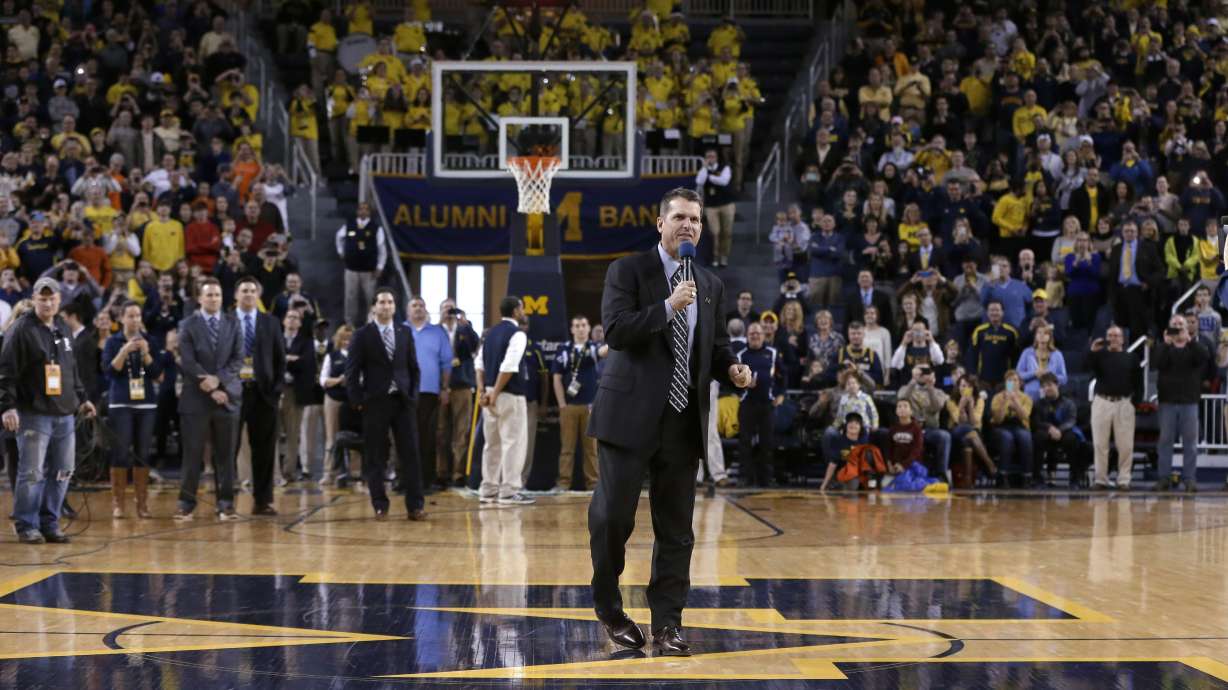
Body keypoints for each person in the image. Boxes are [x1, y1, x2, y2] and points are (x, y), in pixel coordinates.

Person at [587, 188, 749, 656]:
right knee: (612, 519)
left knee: (677, 530)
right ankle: (610, 609)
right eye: (679, 217)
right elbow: (617, 331)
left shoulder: (711, 284)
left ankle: (667, 624)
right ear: (660, 224)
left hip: (682, 421)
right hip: (628, 418)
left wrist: (732, 369)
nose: (688, 226)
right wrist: (667, 307)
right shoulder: (628, 270)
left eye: (695, 219)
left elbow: (715, 348)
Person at [0, 277, 97, 543]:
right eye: (42, 298)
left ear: (59, 300)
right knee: (32, 472)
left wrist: (82, 398)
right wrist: (7, 407)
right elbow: (5, 372)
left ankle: (50, 523)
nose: (47, 303)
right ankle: (26, 525)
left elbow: (71, 368)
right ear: (34, 299)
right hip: (33, 412)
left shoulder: (63, 327)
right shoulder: (20, 329)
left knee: (64, 470)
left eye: (51, 298)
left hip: (65, 413)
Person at [346, 287, 426, 520]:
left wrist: (413, 396)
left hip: (403, 402)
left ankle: (416, 506)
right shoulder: (362, 335)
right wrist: (358, 401)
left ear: (394, 306)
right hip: (375, 403)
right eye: (381, 302)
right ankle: (380, 504)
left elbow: (413, 368)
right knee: (376, 456)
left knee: (411, 454)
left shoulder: (404, 332)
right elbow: (352, 372)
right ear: (374, 307)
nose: (386, 306)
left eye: (390, 302)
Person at [175, 277, 242, 522]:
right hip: (196, 398)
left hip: (227, 398)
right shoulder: (187, 324)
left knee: (226, 456)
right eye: (209, 295)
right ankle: (186, 504)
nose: (214, 298)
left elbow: (238, 359)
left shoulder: (233, 323)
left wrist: (219, 381)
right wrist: (211, 387)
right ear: (200, 298)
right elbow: (187, 360)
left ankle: (226, 505)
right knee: (192, 455)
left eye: (217, 295)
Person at [102, 301, 161, 519]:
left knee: (143, 453)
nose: (135, 320)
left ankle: (142, 503)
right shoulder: (112, 341)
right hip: (121, 404)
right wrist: (124, 350)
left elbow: (157, 374)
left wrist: (146, 353)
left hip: (146, 404)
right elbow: (110, 372)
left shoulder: (150, 340)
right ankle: (118, 503)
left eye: (138, 316)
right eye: (131, 316)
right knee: (120, 452)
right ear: (121, 318)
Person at [233, 276, 286, 514]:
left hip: (263, 393)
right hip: (233, 392)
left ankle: (263, 501)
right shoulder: (226, 321)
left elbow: (280, 359)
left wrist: (276, 391)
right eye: (244, 290)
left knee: (264, 450)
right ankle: (225, 502)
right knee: (228, 449)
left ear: (258, 295)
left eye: (252, 290)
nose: (248, 294)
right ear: (236, 295)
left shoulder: (271, 322)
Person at [474, 297, 534, 505]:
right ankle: (508, 491)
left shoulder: (489, 334)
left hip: (489, 394)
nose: (523, 312)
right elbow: (509, 366)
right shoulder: (518, 334)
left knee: (491, 444)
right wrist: (496, 392)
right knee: (513, 443)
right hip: (508, 394)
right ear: (516, 311)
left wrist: (483, 392)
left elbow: (479, 365)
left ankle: (488, 489)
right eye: (522, 308)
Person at [1153, 314, 1208, 492]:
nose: (1177, 326)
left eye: (1180, 324)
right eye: (1174, 324)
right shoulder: (1164, 347)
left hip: (1189, 401)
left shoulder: (1194, 347)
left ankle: (1189, 479)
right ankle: (1164, 478)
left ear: (1186, 327)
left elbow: (1204, 357)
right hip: (1167, 401)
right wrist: (1165, 343)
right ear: (1169, 327)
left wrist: (1189, 340)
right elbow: (1156, 363)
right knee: (1165, 441)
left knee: (1190, 443)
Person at [552, 314, 605, 492]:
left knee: (591, 449)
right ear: (572, 329)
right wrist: (562, 404)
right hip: (569, 406)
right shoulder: (564, 349)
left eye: (583, 325)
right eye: (577, 326)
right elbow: (556, 378)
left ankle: (593, 484)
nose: (581, 329)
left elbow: (605, 351)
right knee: (567, 448)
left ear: (588, 328)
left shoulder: (594, 347)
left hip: (590, 407)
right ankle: (563, 483)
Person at [406, 296, 451, 489]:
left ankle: (426, 480)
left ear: (426, 309)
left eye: (421, 305)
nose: (418, 308)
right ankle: (404, 479)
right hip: (404, 392)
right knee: (404, 435)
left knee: (428, 437)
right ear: (408, 310)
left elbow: (446, 363)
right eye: (414, 305)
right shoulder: (400, 330)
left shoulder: (437, 333)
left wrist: (445, 388)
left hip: (429, 392)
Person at [1088, 326, 1141, 490]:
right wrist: (1093, 351)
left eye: (1116, 336)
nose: (1113, 338)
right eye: (1110, 335)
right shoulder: (1099, 356)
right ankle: (1100, 479)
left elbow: (1139, 383)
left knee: (1125, 445)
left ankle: (1124, 479)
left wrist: (1135, 403)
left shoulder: (1132, 357)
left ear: (1123, 339)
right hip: (1102, 402)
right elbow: (1086, 366)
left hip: (1124, 403)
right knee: (1099, 444)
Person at [736, 322, 784, 487]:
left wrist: (781, 394)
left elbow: (783, 376)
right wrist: (743, 384)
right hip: (747, 403)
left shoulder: (773, 353)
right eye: (752, 333)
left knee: (767, 442)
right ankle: (744, 477)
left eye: (758, 333)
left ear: (764, 336)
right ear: (747, 336)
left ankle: (766, 478)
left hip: (767, 404)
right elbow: (733, 380)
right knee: (745, 442)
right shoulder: (740, 355)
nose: (755, 336)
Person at [437, 300, 478, 487]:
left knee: (462, 431)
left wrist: (466, 324)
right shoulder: (435, 331)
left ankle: (458, 473)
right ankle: (441, 472)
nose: (449, 311)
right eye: (445, 308)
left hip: (462, 385)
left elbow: (475, 347)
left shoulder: (464, 329)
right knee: (440, 431)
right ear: (440, 312)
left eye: (452, 308)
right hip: (439, 387)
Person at [896, 365, 952, 482]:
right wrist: (913, 381)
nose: (923, 374)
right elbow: (901, 399)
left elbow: (936, 407)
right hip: (910, 428)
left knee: (944, 436)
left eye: (926, 372)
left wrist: (930, 388)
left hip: (930, 429)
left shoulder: (939, 392)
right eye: (920, 371)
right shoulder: (906, 388)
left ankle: (941, 474)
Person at [1031, 372, 1088, 488]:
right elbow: (1036, 422)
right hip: (1046, 432)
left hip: (1064, 432)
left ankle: (1075, 478)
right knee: (1038, 437)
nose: (1047, 388)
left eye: (1049, 385)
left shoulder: (1068, 403)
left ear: (1057, 385)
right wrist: (1050, 428)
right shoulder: (1038, 404)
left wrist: (1059, 430)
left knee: (1072, 439)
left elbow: (1071, 421)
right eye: (1044, 386)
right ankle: (1037, 478)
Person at [1108, 221, 1163, 340]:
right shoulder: (1116, 249)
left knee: (1138, 329)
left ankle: (1138, 351)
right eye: (1126, 231)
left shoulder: (1148, 248)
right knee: (1121, 327)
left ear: (1137, 233)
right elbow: (1112, 273)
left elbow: (1160, 271)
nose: (1129, 234)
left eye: (1132, 231)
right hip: (1120, 292)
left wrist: (1148, 283)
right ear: (1122, 233)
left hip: (1139, 293)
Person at [278, 309, 316, 483]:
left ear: (300, 323)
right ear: (284, 321)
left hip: (294, 391)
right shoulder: (276, 338)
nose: (292, 320)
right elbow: (271, 361)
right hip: (275, 390)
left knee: (293, 434)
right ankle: (274, 473)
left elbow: (306, 364)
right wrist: (289, 359)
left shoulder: (307, 342)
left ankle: (289, 472)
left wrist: (286, 360)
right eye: (289, 317)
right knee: (272, 434)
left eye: (296, 318)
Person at [335, 202, 387, 328]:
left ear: (369, 212)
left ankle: (371, 323)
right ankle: (349, 324)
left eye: (366, 209)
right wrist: (341, 251)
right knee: (350, 297)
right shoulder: (349, 225)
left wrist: (380, 267)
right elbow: (338, 237)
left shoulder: (376, 228)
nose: (363, 211)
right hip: (351, 269)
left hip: (369, 270)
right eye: (360, 209)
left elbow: (382, 249)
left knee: (370, 298)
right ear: (357, 211)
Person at [945, 374, 997, 486]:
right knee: (966, 428)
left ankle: (968, 479)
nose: (965, 389)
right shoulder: (951, 400)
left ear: (973, 388)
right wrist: (961, 406)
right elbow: (958, 421)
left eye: (969, 386)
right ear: (958, 387)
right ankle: (989, 463)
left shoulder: (979, 400)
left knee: (967, 439)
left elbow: (975, 422)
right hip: (955, 431)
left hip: (974, 433)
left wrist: (970, 406)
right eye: (963, 385)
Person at [319, 324, 354, 484]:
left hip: (352, 401)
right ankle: (329, 472)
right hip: (333, 400)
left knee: (355, 437)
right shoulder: (331, 356)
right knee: (332, 437)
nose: (347, 341)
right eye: (344, 338)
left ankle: (356, 472)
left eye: (350, 339)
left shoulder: (358, 356)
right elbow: (323, 380)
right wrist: (339, 380)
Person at [990, 369, 1033, 482]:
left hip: (1020, 425)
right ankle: (1003, 475)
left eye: (1015, 380)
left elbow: (1025, 417)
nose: (1013, 383)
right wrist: (1005, 402)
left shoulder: (1026, 398)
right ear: (1005, 383)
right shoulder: (997, 397)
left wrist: (1015, 402)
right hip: (1001, 426)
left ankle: (1027, 475)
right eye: (1010, 380)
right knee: (1007, 437)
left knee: (1025, 437)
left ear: (1020, 383)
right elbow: (998, 420)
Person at [695, 148, 735, 267]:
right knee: (715, 232)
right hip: (711, 206)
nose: (710, 159)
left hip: (727, 204)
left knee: (727, 232)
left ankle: (724, 256)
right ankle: (716, 256)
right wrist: (705, 168)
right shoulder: (704, 170)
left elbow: (724, 181)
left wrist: (710, 177)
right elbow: (699, 181)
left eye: (712, 156)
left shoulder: (725, 168)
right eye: (708, 156)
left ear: (717, 158)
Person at [971, 301, 1019, 386]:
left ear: (1002, 312)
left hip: (1007, 380)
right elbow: (972, 354)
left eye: (997, 310)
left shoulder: (1011, 332)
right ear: (987, 313)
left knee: (1010, 394)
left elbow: (1016, 355)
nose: (994, 313)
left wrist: (1014, 374)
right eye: (991, 310)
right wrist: (973, 372)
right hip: (983, 379)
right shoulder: (979, 331)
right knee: (983, 395)